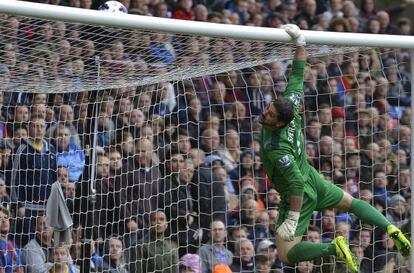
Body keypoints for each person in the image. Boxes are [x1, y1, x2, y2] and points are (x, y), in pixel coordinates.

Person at [258, 24, 411, 273]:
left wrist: (293, 217)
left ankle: (333, 247)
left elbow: (295, 183)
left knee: (286, 256)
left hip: (299, 192)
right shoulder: (291, 103)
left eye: (270, 115)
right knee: (350, 202)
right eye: (268, 108)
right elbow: (297, 74)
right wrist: (300, 43)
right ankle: (390, 228)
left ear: (281, 122)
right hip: (313, 177)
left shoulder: (276, 147)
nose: (265, 113)